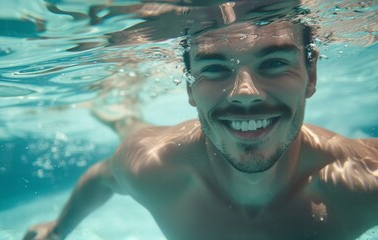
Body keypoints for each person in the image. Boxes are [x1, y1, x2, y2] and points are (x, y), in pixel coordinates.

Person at [23, 1, 378, 239]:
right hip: (155, 139)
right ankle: (123, 114)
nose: (245, 92)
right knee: (131, 129)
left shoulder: (363, 180)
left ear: (311, 73)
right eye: (215, 67)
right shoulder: (155, 166)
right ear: (190, 86)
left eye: (273, 63)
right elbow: (101, 178)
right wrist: (57, 230)